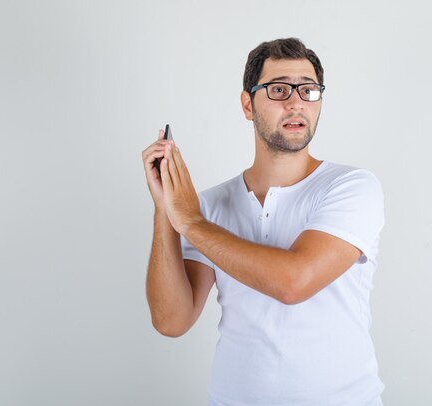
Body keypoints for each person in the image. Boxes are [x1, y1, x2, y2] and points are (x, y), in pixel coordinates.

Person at [141, 38, 385, 406]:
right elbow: (171, 320)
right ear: (247, 104)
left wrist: (189, 220)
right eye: (278, 89)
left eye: (308, 90)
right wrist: (165, 209)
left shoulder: (352, 187)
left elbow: (293, 283)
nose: (296, 101)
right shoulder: (208, 207)